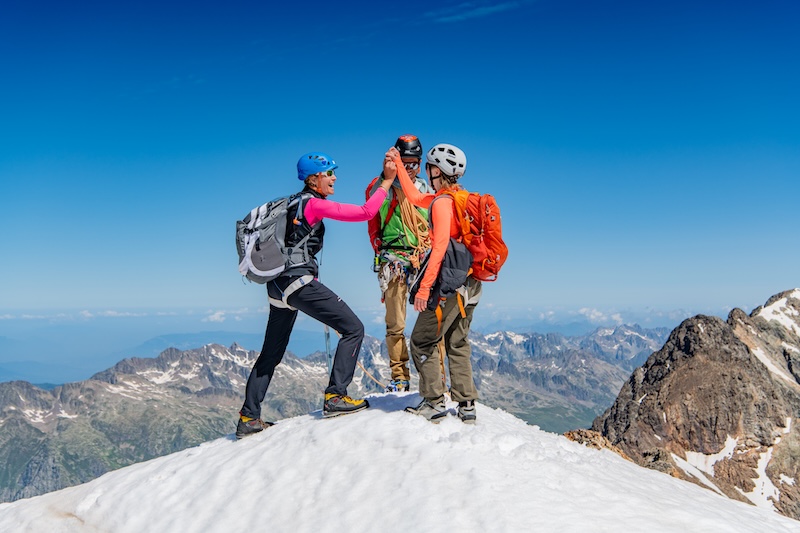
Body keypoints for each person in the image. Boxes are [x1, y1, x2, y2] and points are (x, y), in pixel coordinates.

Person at [237, 152, 395, 439]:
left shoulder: (290, 205)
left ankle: (249, 417)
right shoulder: (312, 205)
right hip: (298, 282)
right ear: (313, 179)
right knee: (353, 329)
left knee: (271, 353)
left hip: (276, 287)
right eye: (329, 173)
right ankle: (336, 396)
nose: (334, 178)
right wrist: (386, 182)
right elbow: (365, 213)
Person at [384, 143, 481, 424]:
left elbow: (438, 249)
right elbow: (415, 196)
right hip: (473, 284)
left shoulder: (441, 203)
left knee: (422, 340)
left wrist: (424, 288)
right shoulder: (463, 199)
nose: (426, 171)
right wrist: (399, 165)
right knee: (458, 341)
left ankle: (434, 401)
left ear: (435, 170)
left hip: (450, 285)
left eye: (428, 167)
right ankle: (467, 406)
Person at [366, 134, 434, 393]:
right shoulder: (381, 188)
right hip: (394, 259)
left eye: (413, 163)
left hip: (421, 257)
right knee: (396, 324)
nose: (408, 168)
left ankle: (433, 376)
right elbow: (372, 207)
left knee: (430, 321)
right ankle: (400, 376)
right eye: (404, 162)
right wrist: (387, 176)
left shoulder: (425, 191)